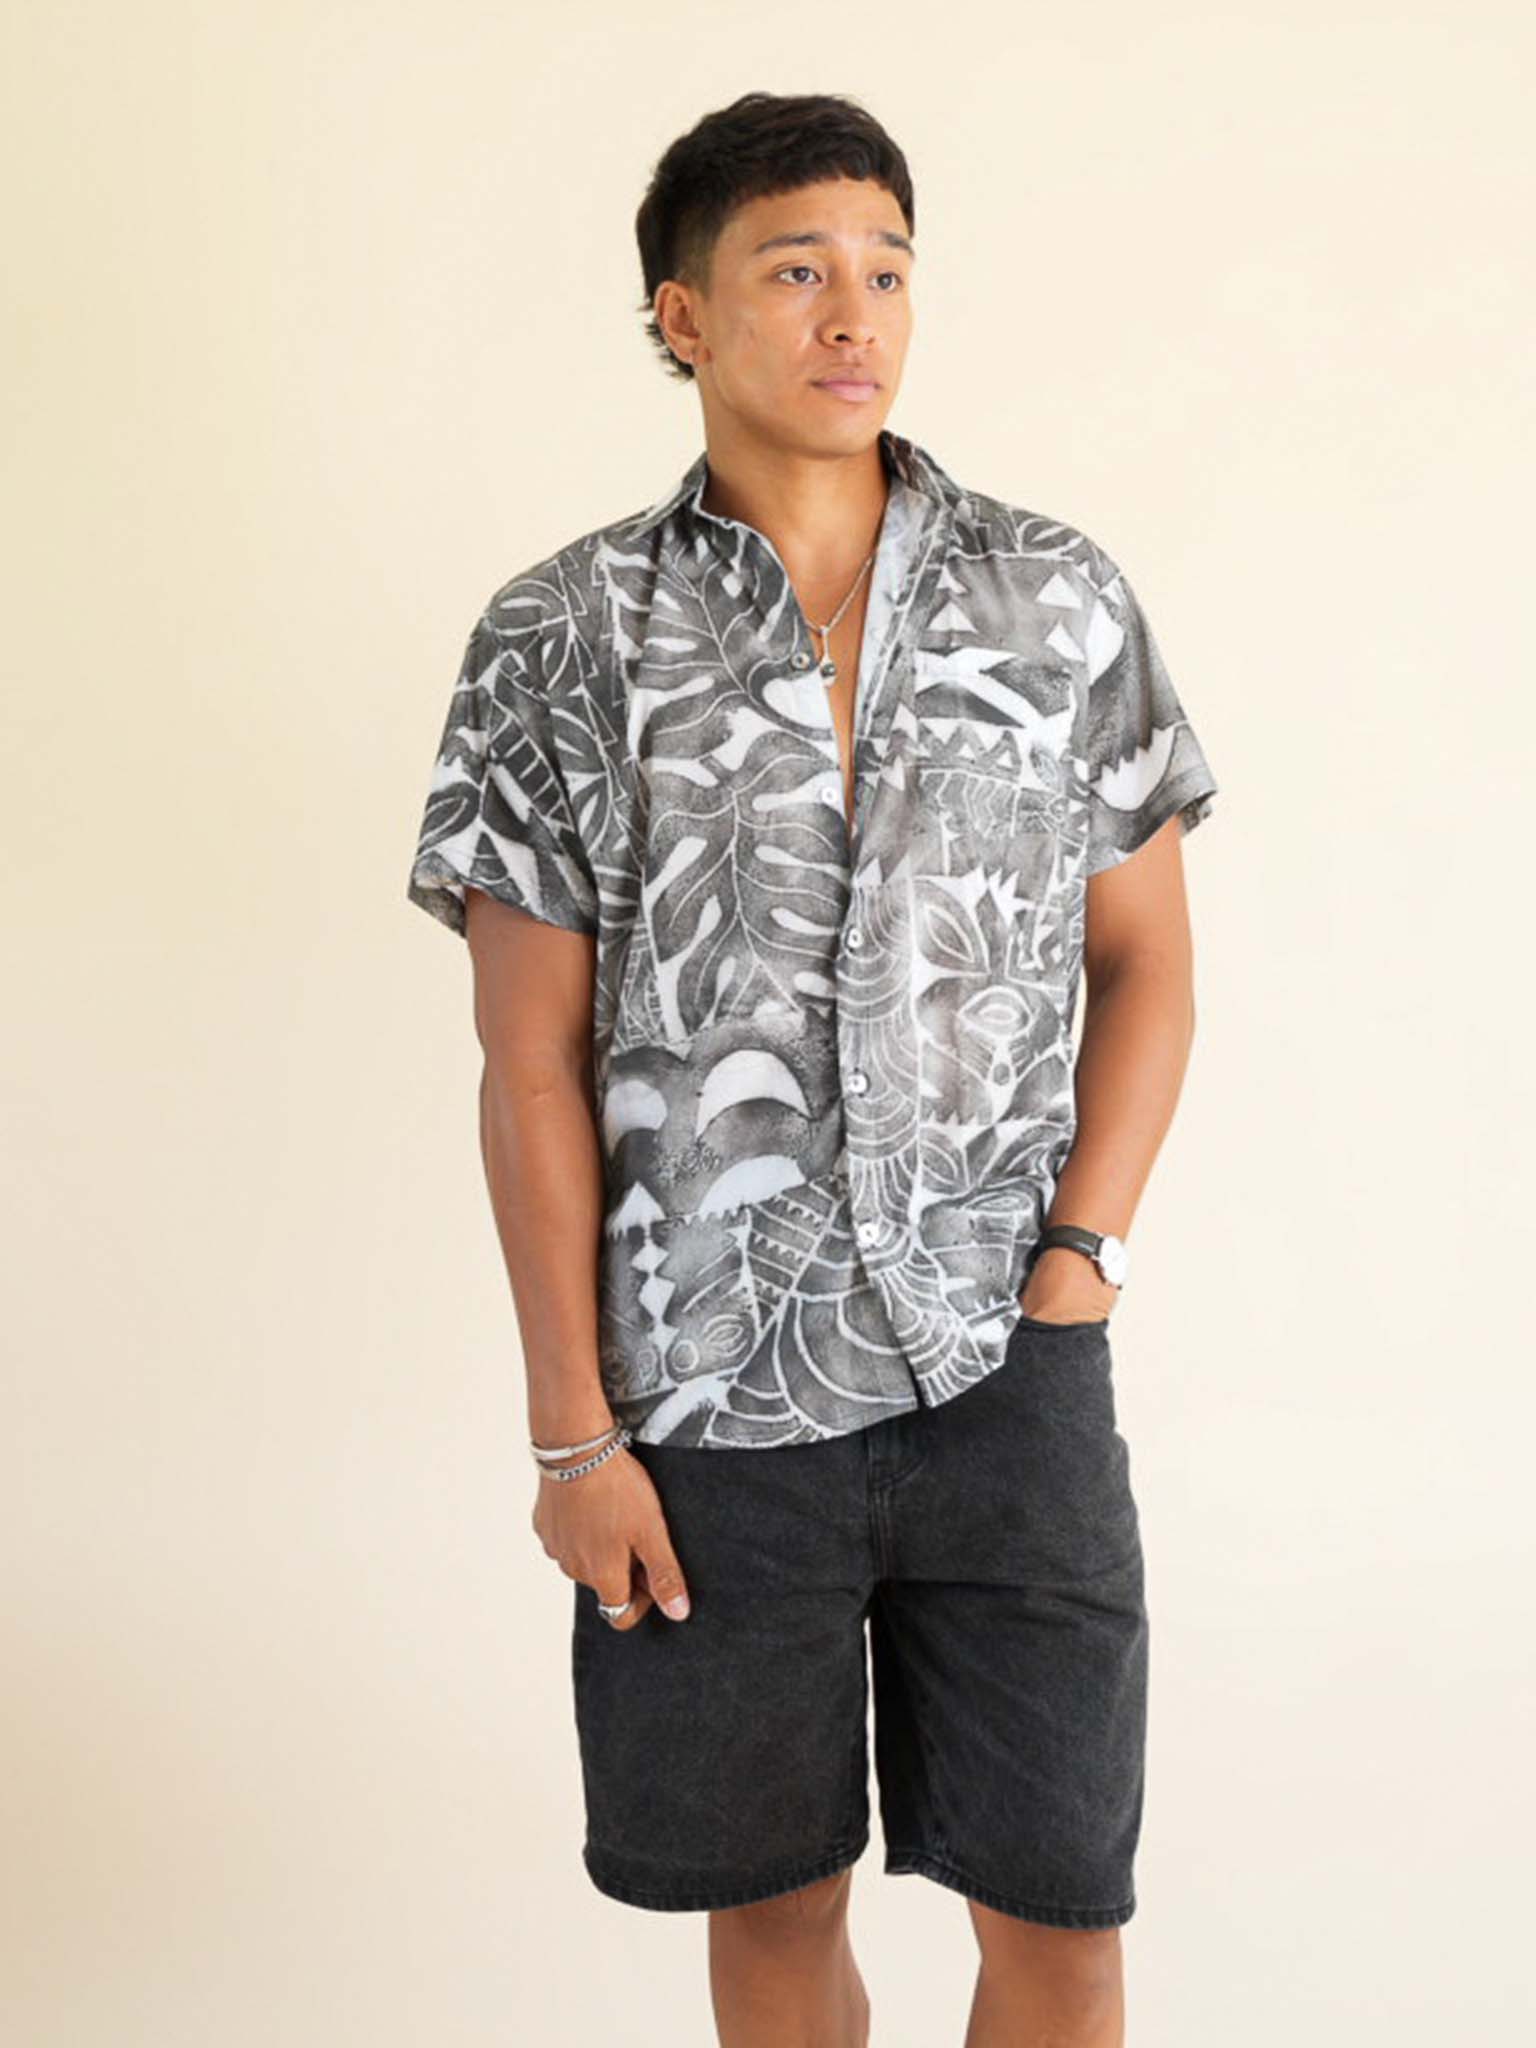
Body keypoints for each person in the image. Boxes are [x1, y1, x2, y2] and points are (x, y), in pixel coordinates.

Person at [407, 88, 1218, 2048]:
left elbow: (1149, 966)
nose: (855, 315)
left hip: (1008, 1380)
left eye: (887, 269)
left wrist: (1080, 1263)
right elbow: (527, 1064)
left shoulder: (1055, 599)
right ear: (682, 314)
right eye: (795, 272)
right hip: (701, 1405)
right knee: (770, 1918)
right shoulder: (560, 634)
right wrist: (572, 1436)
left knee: (1064, 1919)